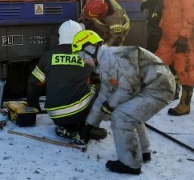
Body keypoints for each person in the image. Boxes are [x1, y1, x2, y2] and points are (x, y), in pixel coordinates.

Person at [72, 30, 175, 175]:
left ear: (89, 49)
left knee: (121, 116)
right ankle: (143, 152)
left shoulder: (114, 57)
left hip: (158, 88)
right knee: (131, 112)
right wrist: (90, 125)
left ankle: (130, 164)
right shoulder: (104, 64)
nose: (83, 61)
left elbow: (129, 88)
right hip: (151, 86)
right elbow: (104, 95)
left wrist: (110, 106)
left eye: (81, 56)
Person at [26, 20, 106, 145]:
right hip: (78, 113)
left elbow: (33, 83)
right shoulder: (87, 56)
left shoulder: (48, 56)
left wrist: (34, 107)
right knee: (101, 87)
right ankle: (89, 128)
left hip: (55, 114)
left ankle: (65, 128)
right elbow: (100, 79)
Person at [154, 0, 194, 116]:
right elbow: (168, 11)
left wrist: (184, 37)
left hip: (182, 39)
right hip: (167, 37)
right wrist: (162, 28)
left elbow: (191, 13)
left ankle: (185, 105)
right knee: (156, 65)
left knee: (185, 69)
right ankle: (157, 96)